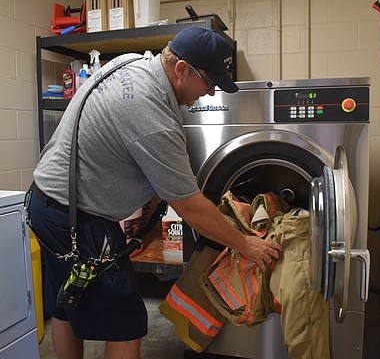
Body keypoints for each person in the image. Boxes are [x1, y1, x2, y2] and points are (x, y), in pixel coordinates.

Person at [27, 27, 283, 359]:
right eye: (209, 83)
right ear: (181, 69)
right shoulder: (151, 114)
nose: (208, 93)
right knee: (127, 325)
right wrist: (246, 243)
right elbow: (189, 206)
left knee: (67, 300)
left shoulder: (132, 63)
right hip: (77, 220)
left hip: (45, 204)